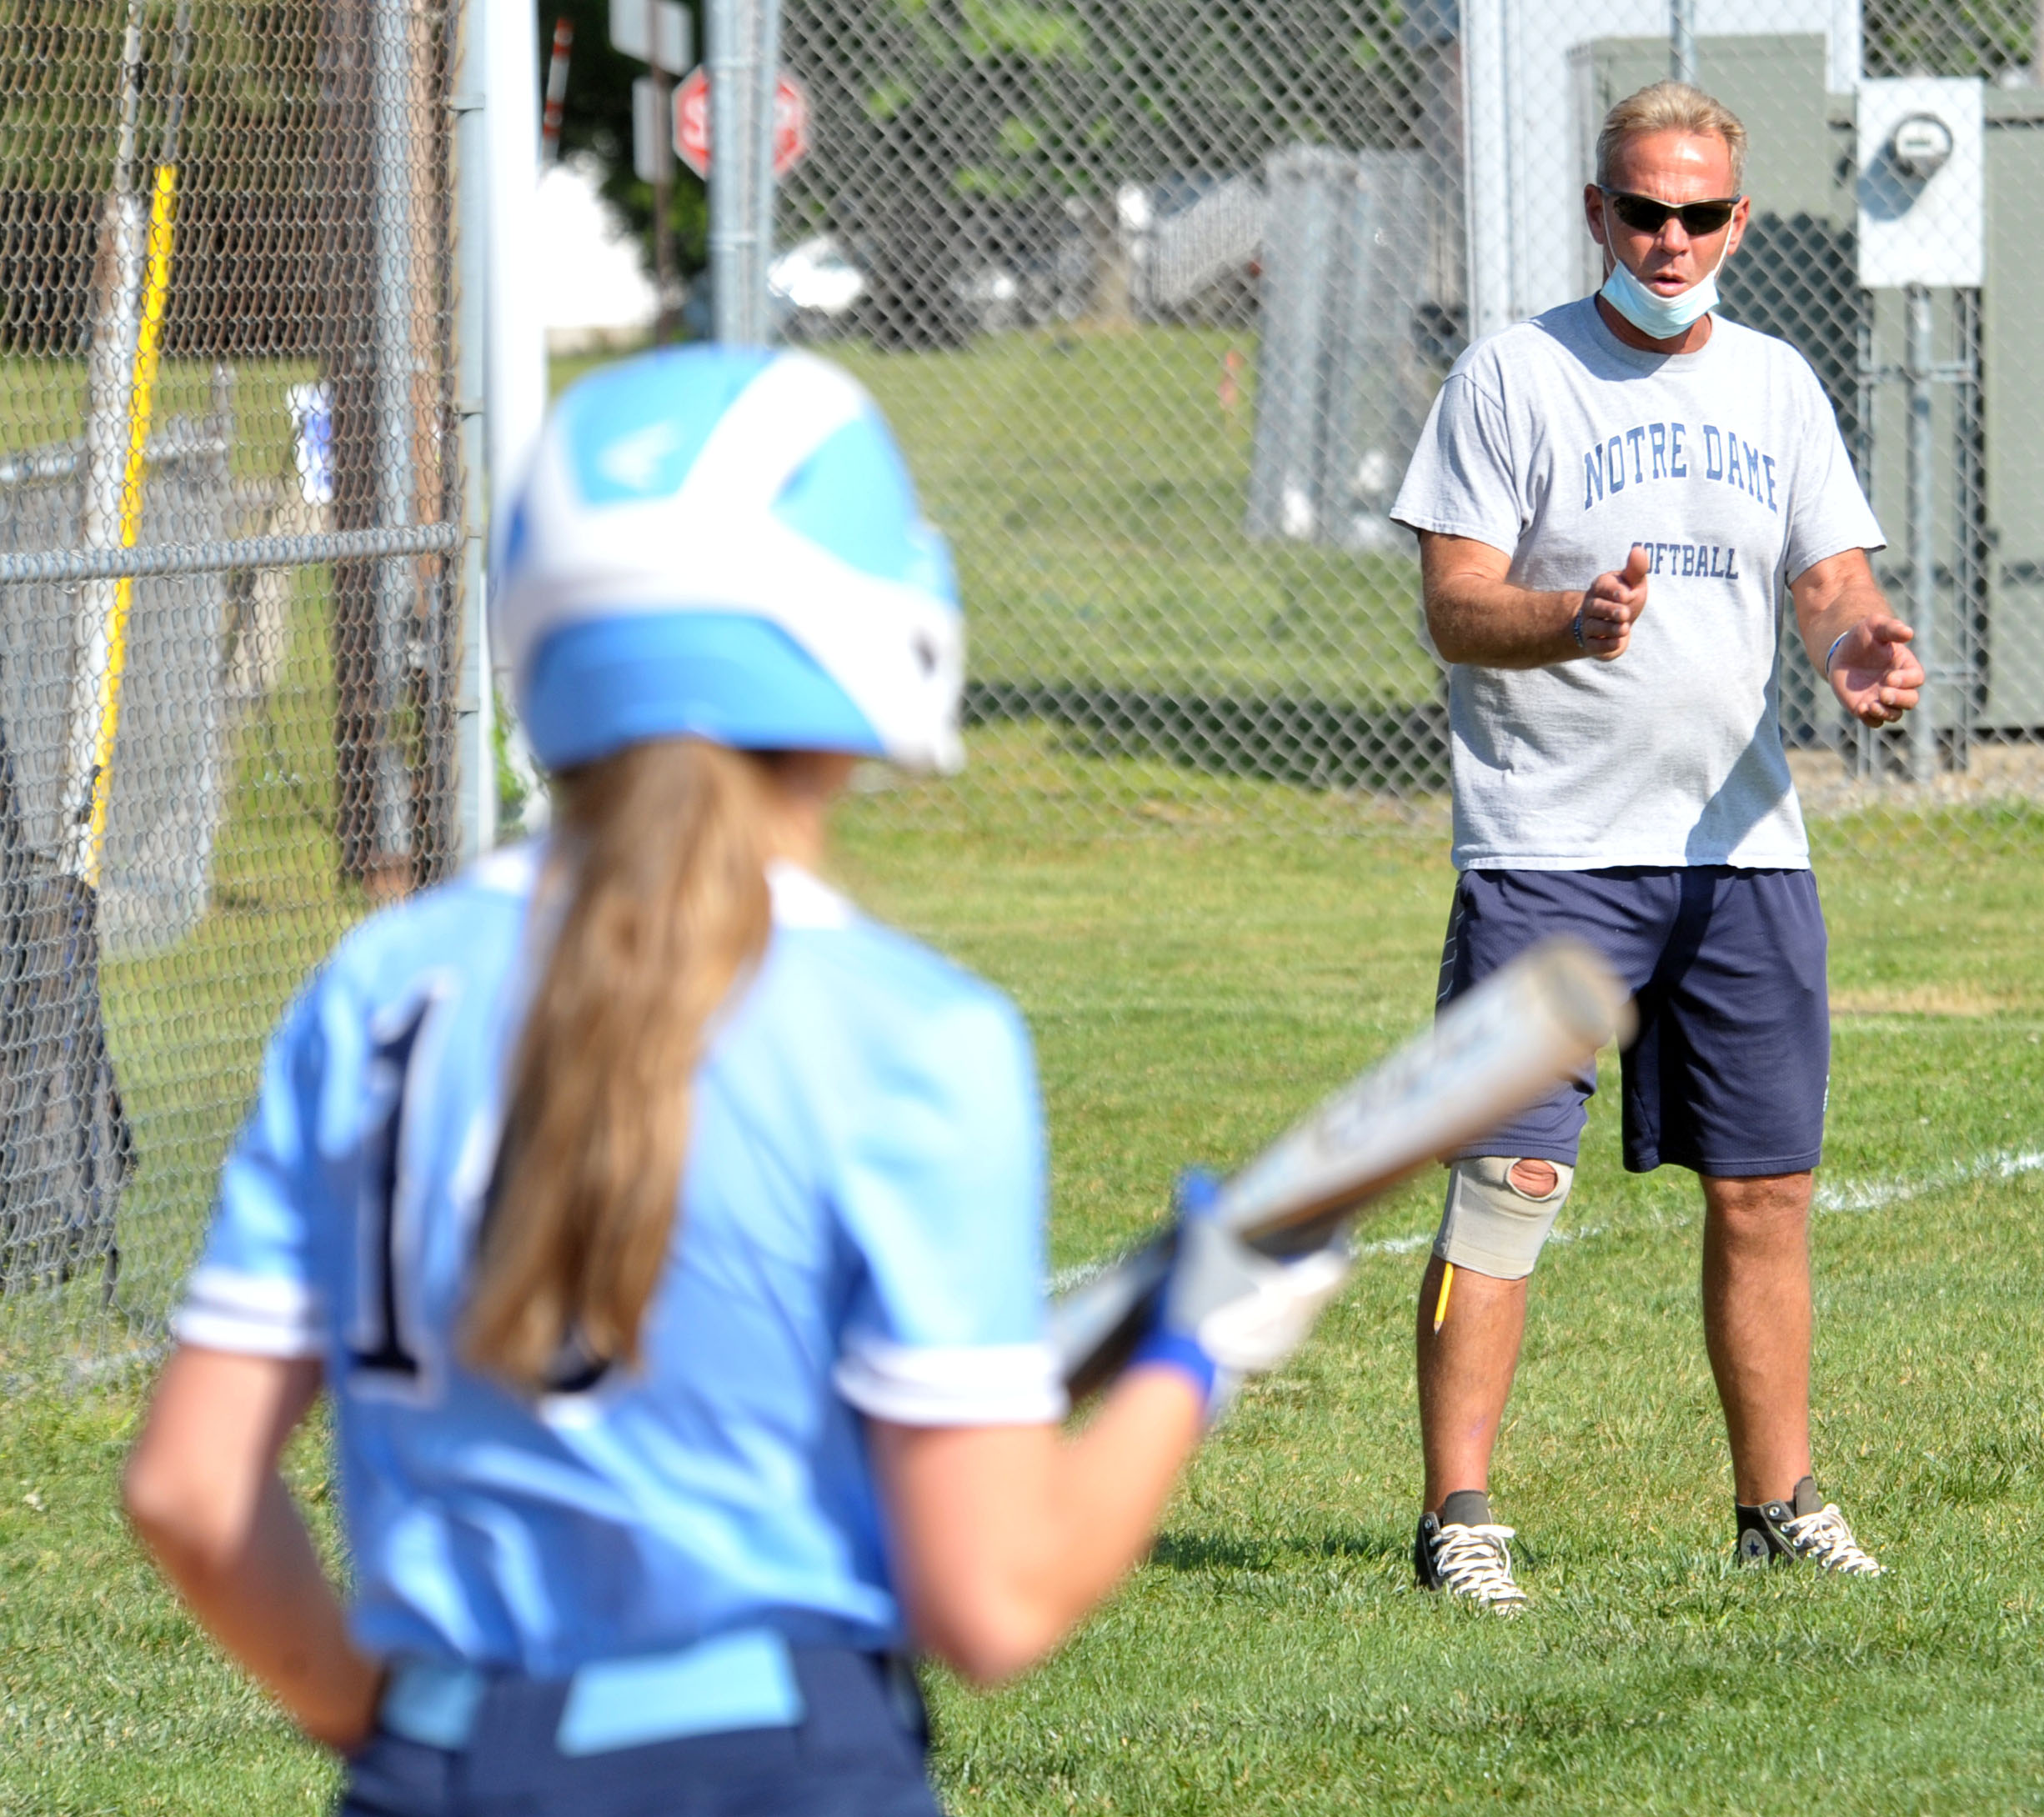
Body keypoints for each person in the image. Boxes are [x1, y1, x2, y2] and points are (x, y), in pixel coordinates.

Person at [123, 347, 1352, 1813]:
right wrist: (1195, 1354)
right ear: (863, 621)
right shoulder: (914, 1038)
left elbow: (191, 1492)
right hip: (777, 1763)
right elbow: (997, 1598)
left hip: (443, 1762)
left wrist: (397, 1734)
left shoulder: (377, 990)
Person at [1387, 81, 1922, 1609]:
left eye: (1699, 213)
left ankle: (1779, 1506)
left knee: (1766, 1191)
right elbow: (1453, 604)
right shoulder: (1512, 378)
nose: (1670, 238)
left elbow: (1831, 579)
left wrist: (1862, 644)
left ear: (1738, 221)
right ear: (1597, 214)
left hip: (1743, 853)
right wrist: (1575, 618)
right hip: (1550, 850)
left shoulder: (1777, 386)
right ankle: (1461, 1523)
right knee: (1508, 1185)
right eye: (1644, 210)